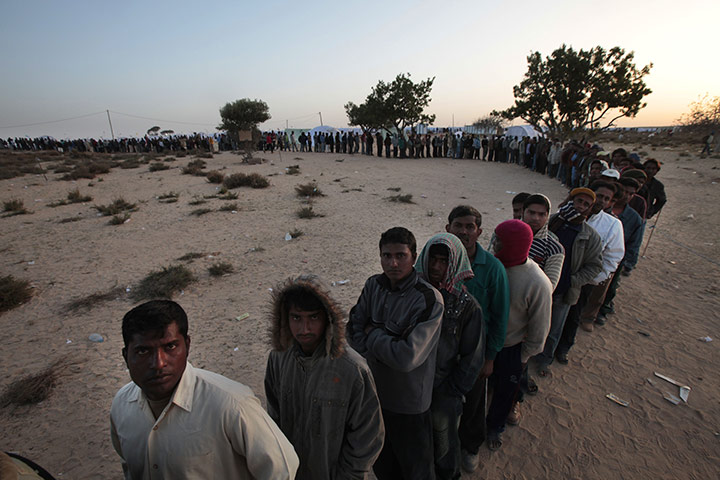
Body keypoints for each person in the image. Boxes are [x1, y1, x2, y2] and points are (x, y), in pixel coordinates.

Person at [110, 300, 299, 480]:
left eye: (170, 346)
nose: (158, 363)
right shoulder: (122, 406)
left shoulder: (231, 404)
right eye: (143, 351)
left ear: (187, 346)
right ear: (126, 356)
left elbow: (281, 468)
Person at [264, 275, 384, 480]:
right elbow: (273, 417)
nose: (304, 329)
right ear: (285, 317)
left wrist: (348, 476)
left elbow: (368, 436)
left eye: (313, 317)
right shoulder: (279, 358)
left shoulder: (352, 370)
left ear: (328, 318)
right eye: (296, 318)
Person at [348, 227, 444, 480]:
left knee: (417, 470)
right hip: (374, 396)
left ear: (414, 257)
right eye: (386, 255)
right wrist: (384, 342)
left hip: (409, 403)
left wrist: (373, 334)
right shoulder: (373, 286)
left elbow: (406, 358)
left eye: (401, 255)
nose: (393, 263)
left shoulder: (428, 299)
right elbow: (352, 331)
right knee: (383, 464)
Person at [444, 206, 510, 473]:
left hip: (476, 353)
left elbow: (500, 316)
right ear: (448, 228)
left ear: (479, 232)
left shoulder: (492, 269)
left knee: (473, 404)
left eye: (470, 226)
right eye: (458, 225)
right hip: (441, 350)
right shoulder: (438, 261)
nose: (464, 231)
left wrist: (490, 357)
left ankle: (470, 447)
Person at [415, 234, 485, 480]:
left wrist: (451, 392)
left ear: (455, 264)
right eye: (432, 259)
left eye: (444, 261)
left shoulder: (467, 307)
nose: (435, 267)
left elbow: (472, 358)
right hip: (412, 388)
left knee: (443, 444)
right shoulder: (413, 296)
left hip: (443, 391)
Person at [486, 220, 552, 451]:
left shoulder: (537, 282)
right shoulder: (491, 265)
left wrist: (523, 357)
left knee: (505, 392)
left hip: (511, 348)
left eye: (500, 242)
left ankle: (495, 427)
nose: (494, 245)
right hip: (483, 342)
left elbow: (539, 328)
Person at [533, 188, 602, 376]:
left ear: (590, 209)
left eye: (586, 204)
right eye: (578, 201)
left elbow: (595, 266)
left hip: (563, 292)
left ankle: (544, 361)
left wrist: (573, 281)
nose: (580, 206)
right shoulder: (552, 221)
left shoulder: (590, 235)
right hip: (537, 288)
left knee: (554, 329)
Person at [556, 182, 624, 360]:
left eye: (606, 198)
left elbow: (612, 259)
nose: (601, 201)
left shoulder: (612, 225)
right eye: (598, 195)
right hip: (555, 275)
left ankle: (562, 349)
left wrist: (586, 280)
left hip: (583, 281)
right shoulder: (564, 216)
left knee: (572, 316)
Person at [596, 178, 644, 325]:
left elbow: (634, 242)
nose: (627, 196)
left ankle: (601, 311)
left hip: (614, 258)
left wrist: (628, 262)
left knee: (607, 288)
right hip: (593, 257)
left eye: (631, 194)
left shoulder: (633, 218)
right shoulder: (598, 212)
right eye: (625, 191)